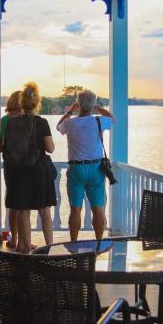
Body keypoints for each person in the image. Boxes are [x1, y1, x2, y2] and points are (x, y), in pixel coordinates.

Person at [1, 82, 56, 252]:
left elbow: (5, 147)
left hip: (19, 171)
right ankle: (49, 247)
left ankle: (25, 246)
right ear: (37, 102)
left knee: (24, 210)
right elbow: (50, 148)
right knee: (44, 211)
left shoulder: (11, 122)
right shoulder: (42, 122)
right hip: (38, 170)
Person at [57, 89, 115, 241]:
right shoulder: (99, 120)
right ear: (93, 104)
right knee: (98, 208)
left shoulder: (70, 123)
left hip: (76, 169)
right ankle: (98, 243)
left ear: (78, 104)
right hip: (96, 169)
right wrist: (98, 108)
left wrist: (70, 111)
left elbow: (58, 126)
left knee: (75, 209)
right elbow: (112, 119)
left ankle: (74, 243)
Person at [0, 91, 22, 248]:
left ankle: (15, 239)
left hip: (11, 166)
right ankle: (24, 241)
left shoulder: (3, 121)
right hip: (28, 166)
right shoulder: (28, 120)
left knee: (13, 203)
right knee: (24, 204)